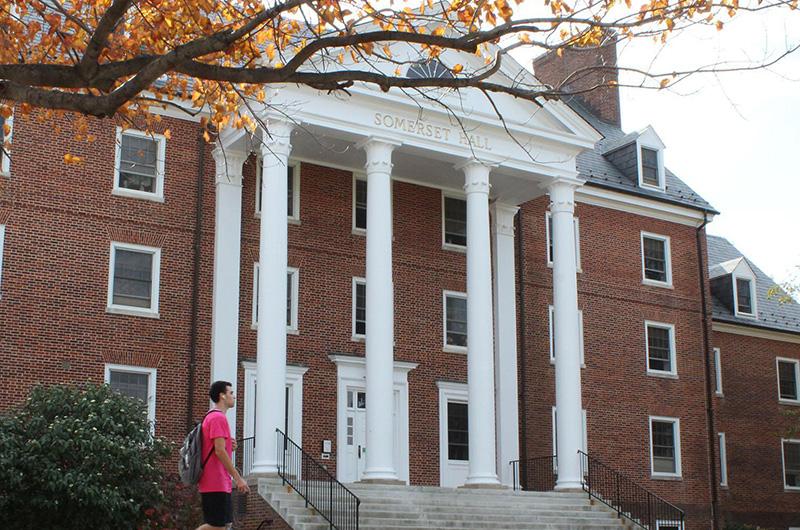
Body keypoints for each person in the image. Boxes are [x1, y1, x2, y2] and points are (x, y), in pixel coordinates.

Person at [196, 380, 250, 530]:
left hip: (219, 481)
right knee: (217, 526)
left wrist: (230, 447)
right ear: (222, 396)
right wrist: (238, 478)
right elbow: (219, 451)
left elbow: (217, 449)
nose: (234, 396)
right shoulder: (217, 418)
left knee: (225, 525)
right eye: (231, 393)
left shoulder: (215, 417)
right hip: (214, 481)